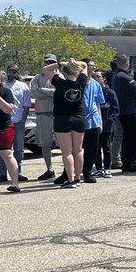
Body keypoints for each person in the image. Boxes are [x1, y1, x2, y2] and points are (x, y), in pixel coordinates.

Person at [51, 60, 88, 188]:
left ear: (63, 72)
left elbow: (46, 69)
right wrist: (72, 62)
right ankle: (77, 178)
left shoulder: (59, 82)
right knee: (78, 150)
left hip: (62, 119)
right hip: (78, 118)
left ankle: (71, 179)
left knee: (67, 152)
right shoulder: (81, 82)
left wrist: (60, 63)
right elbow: (84, 65)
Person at [0, 66, 31, 185]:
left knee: (19, 149)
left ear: (17, 73)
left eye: (14, 72)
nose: (12, 74)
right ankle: (2, 173)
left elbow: (26, 105)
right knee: (4, 148)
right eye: (10, 71)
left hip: (18, 121)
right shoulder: (2, 85)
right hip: (5, 121)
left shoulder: (23, 86)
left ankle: (18, 172)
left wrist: (23, 120)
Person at [110, 54, 136, 173]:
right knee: (131, 138)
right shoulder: (125, 77)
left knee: (126, 138)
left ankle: (128, 162)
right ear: (127, 63)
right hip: (129, 111)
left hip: (122, 111)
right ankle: (130, 163)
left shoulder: (115, 76)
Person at [30, 55, 58, 180]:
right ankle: (49, 169)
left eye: (52, 62)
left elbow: (59, 93)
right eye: (47, 62)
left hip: (57, 114)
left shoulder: (60, 77)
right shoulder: (37, 78)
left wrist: (43, 90)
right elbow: (33, 93)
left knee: (63, 144)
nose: (49, 64)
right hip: (42, 114)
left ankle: (66, 170)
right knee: (45, 144)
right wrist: (50, 92)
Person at [79, 70, 106, 184]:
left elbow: (98, 103)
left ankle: (87, 173)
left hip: (93, 121)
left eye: (94, 66)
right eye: (90, 66)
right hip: (79, 120)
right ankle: (69, 173)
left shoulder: (95, 84)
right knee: (76, 149)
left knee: (92, 150)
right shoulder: (77, 82)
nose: (93, 68)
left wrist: (100, 121)